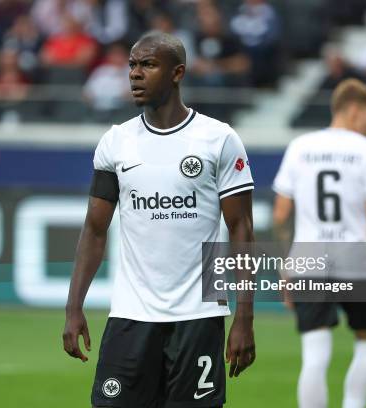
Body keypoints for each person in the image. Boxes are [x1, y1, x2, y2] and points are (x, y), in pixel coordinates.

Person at [63, 31, 256, 408]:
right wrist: (74, 309)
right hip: (131, 316)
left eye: (148, 65)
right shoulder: (116, 142)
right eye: (132, 65)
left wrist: (244, 319)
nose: (135, 73)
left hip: (200, 315)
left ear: (177, 72)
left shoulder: (219, 139)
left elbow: (241, 228)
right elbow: (95, 229)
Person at [272, 79, 366, 408]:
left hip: (308, 260)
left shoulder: (300, 147)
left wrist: (287, 266)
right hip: (357, 261)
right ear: (353, 109)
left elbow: (281, 214)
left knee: (314, 354)